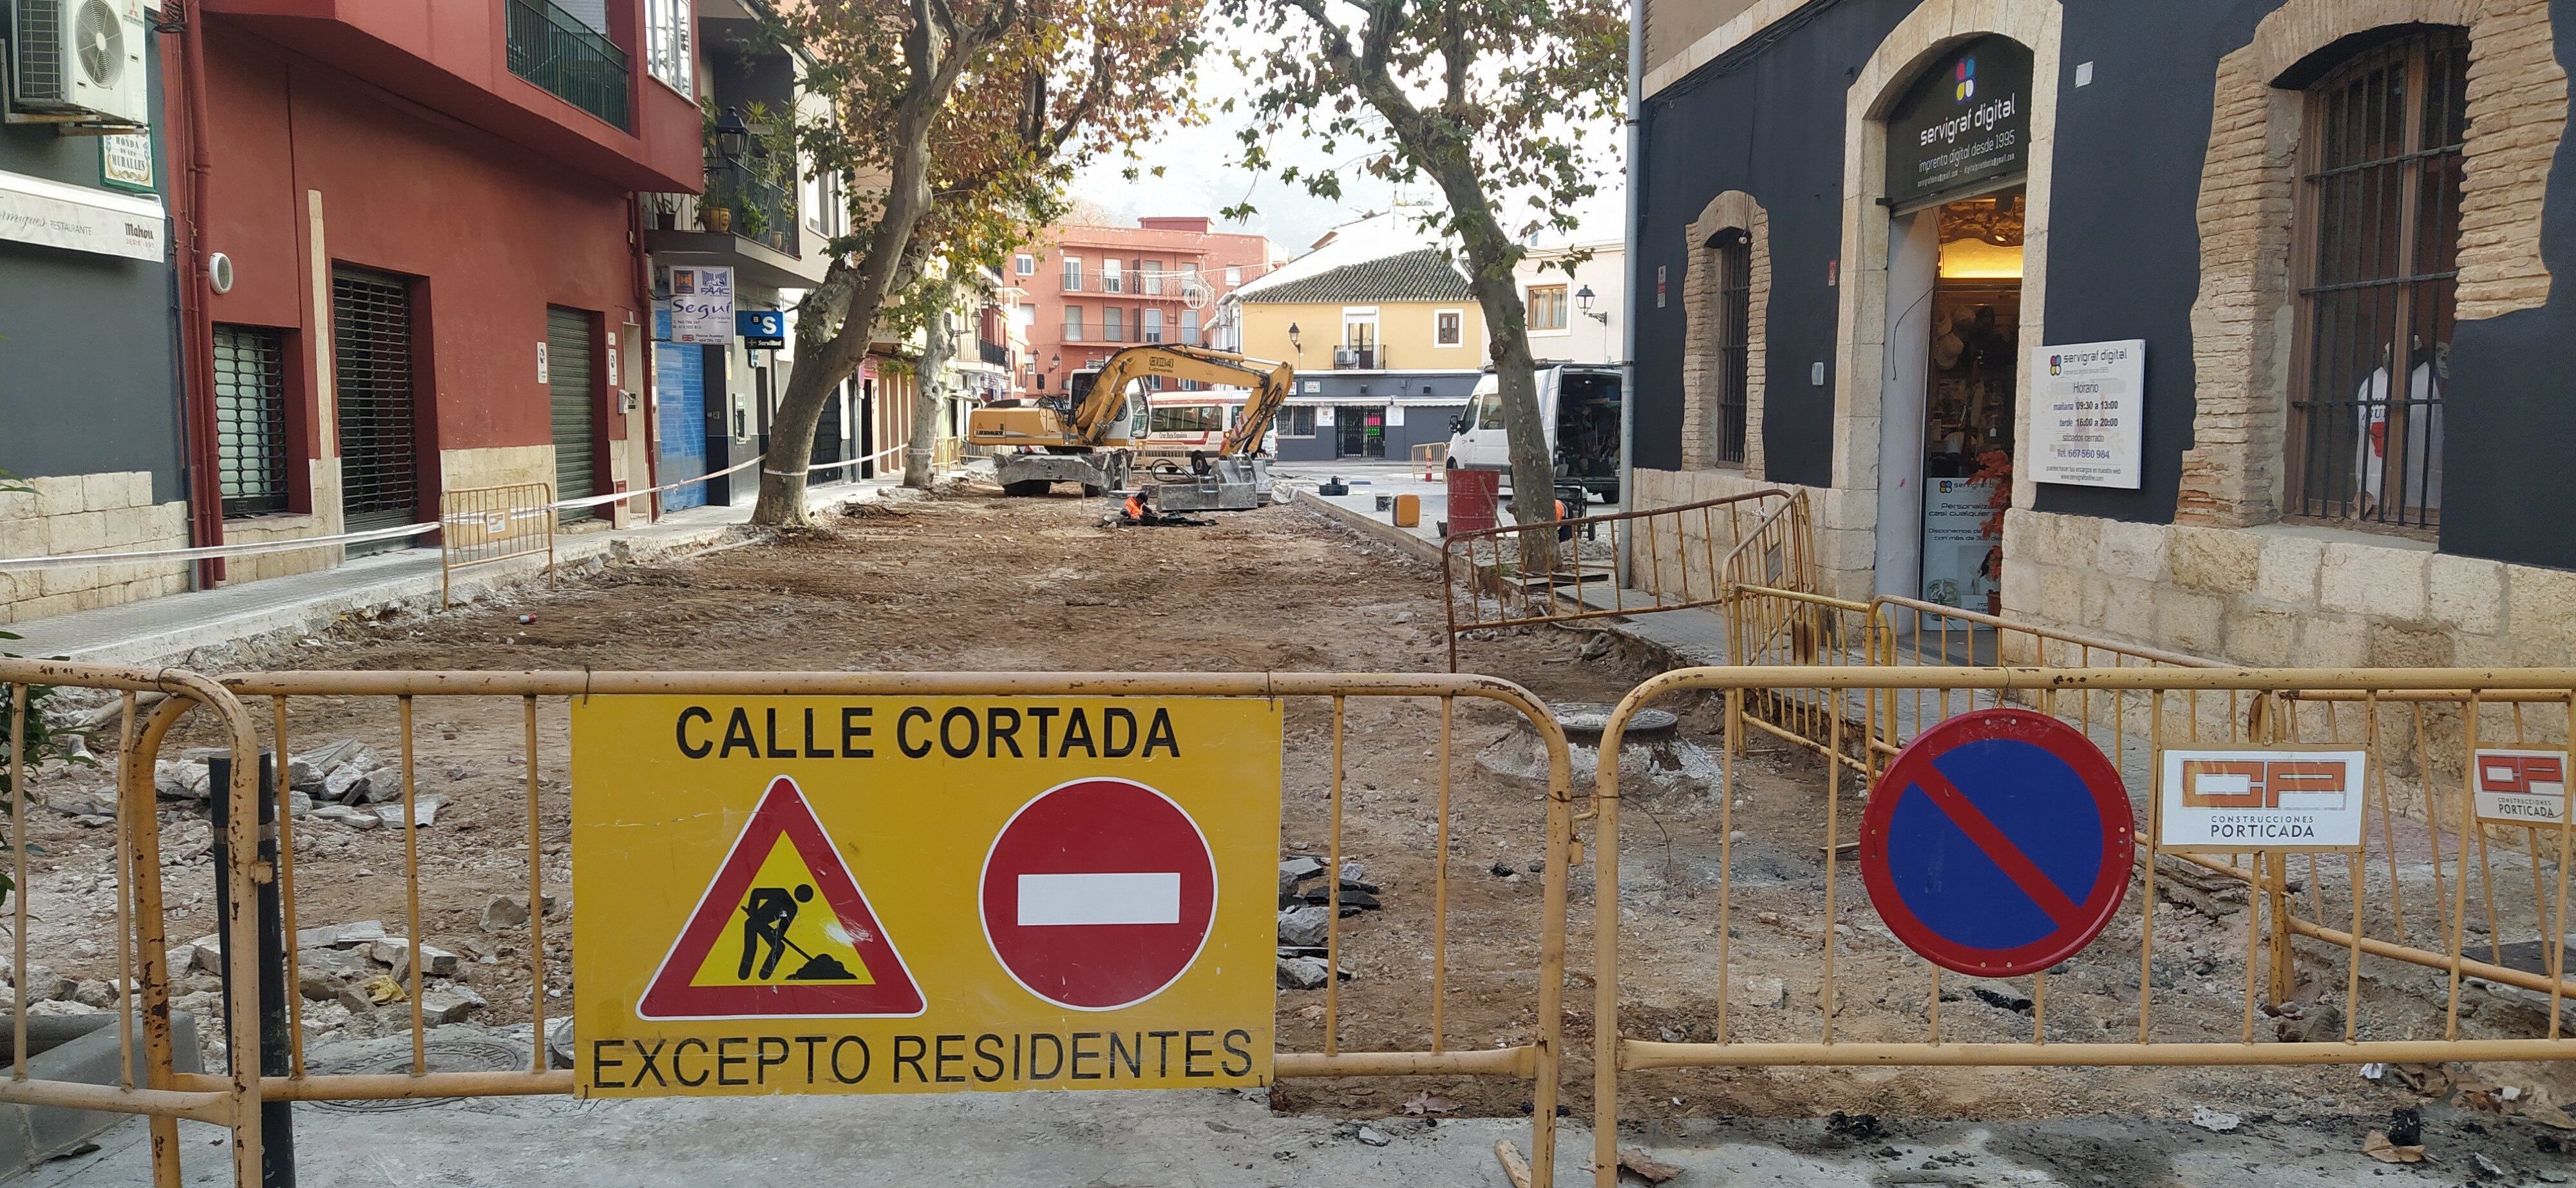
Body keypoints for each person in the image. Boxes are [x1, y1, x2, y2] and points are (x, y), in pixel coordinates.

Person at [739, 884, 811, 981]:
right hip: (754, 922)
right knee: (752, 946)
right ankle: (744, 972)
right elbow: (756, 893)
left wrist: (777, 935)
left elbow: (782, 928)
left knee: (779, 947)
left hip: (758, 923)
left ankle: (765, 973)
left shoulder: (793, 909)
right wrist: (753, 909)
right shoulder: (781, 893)